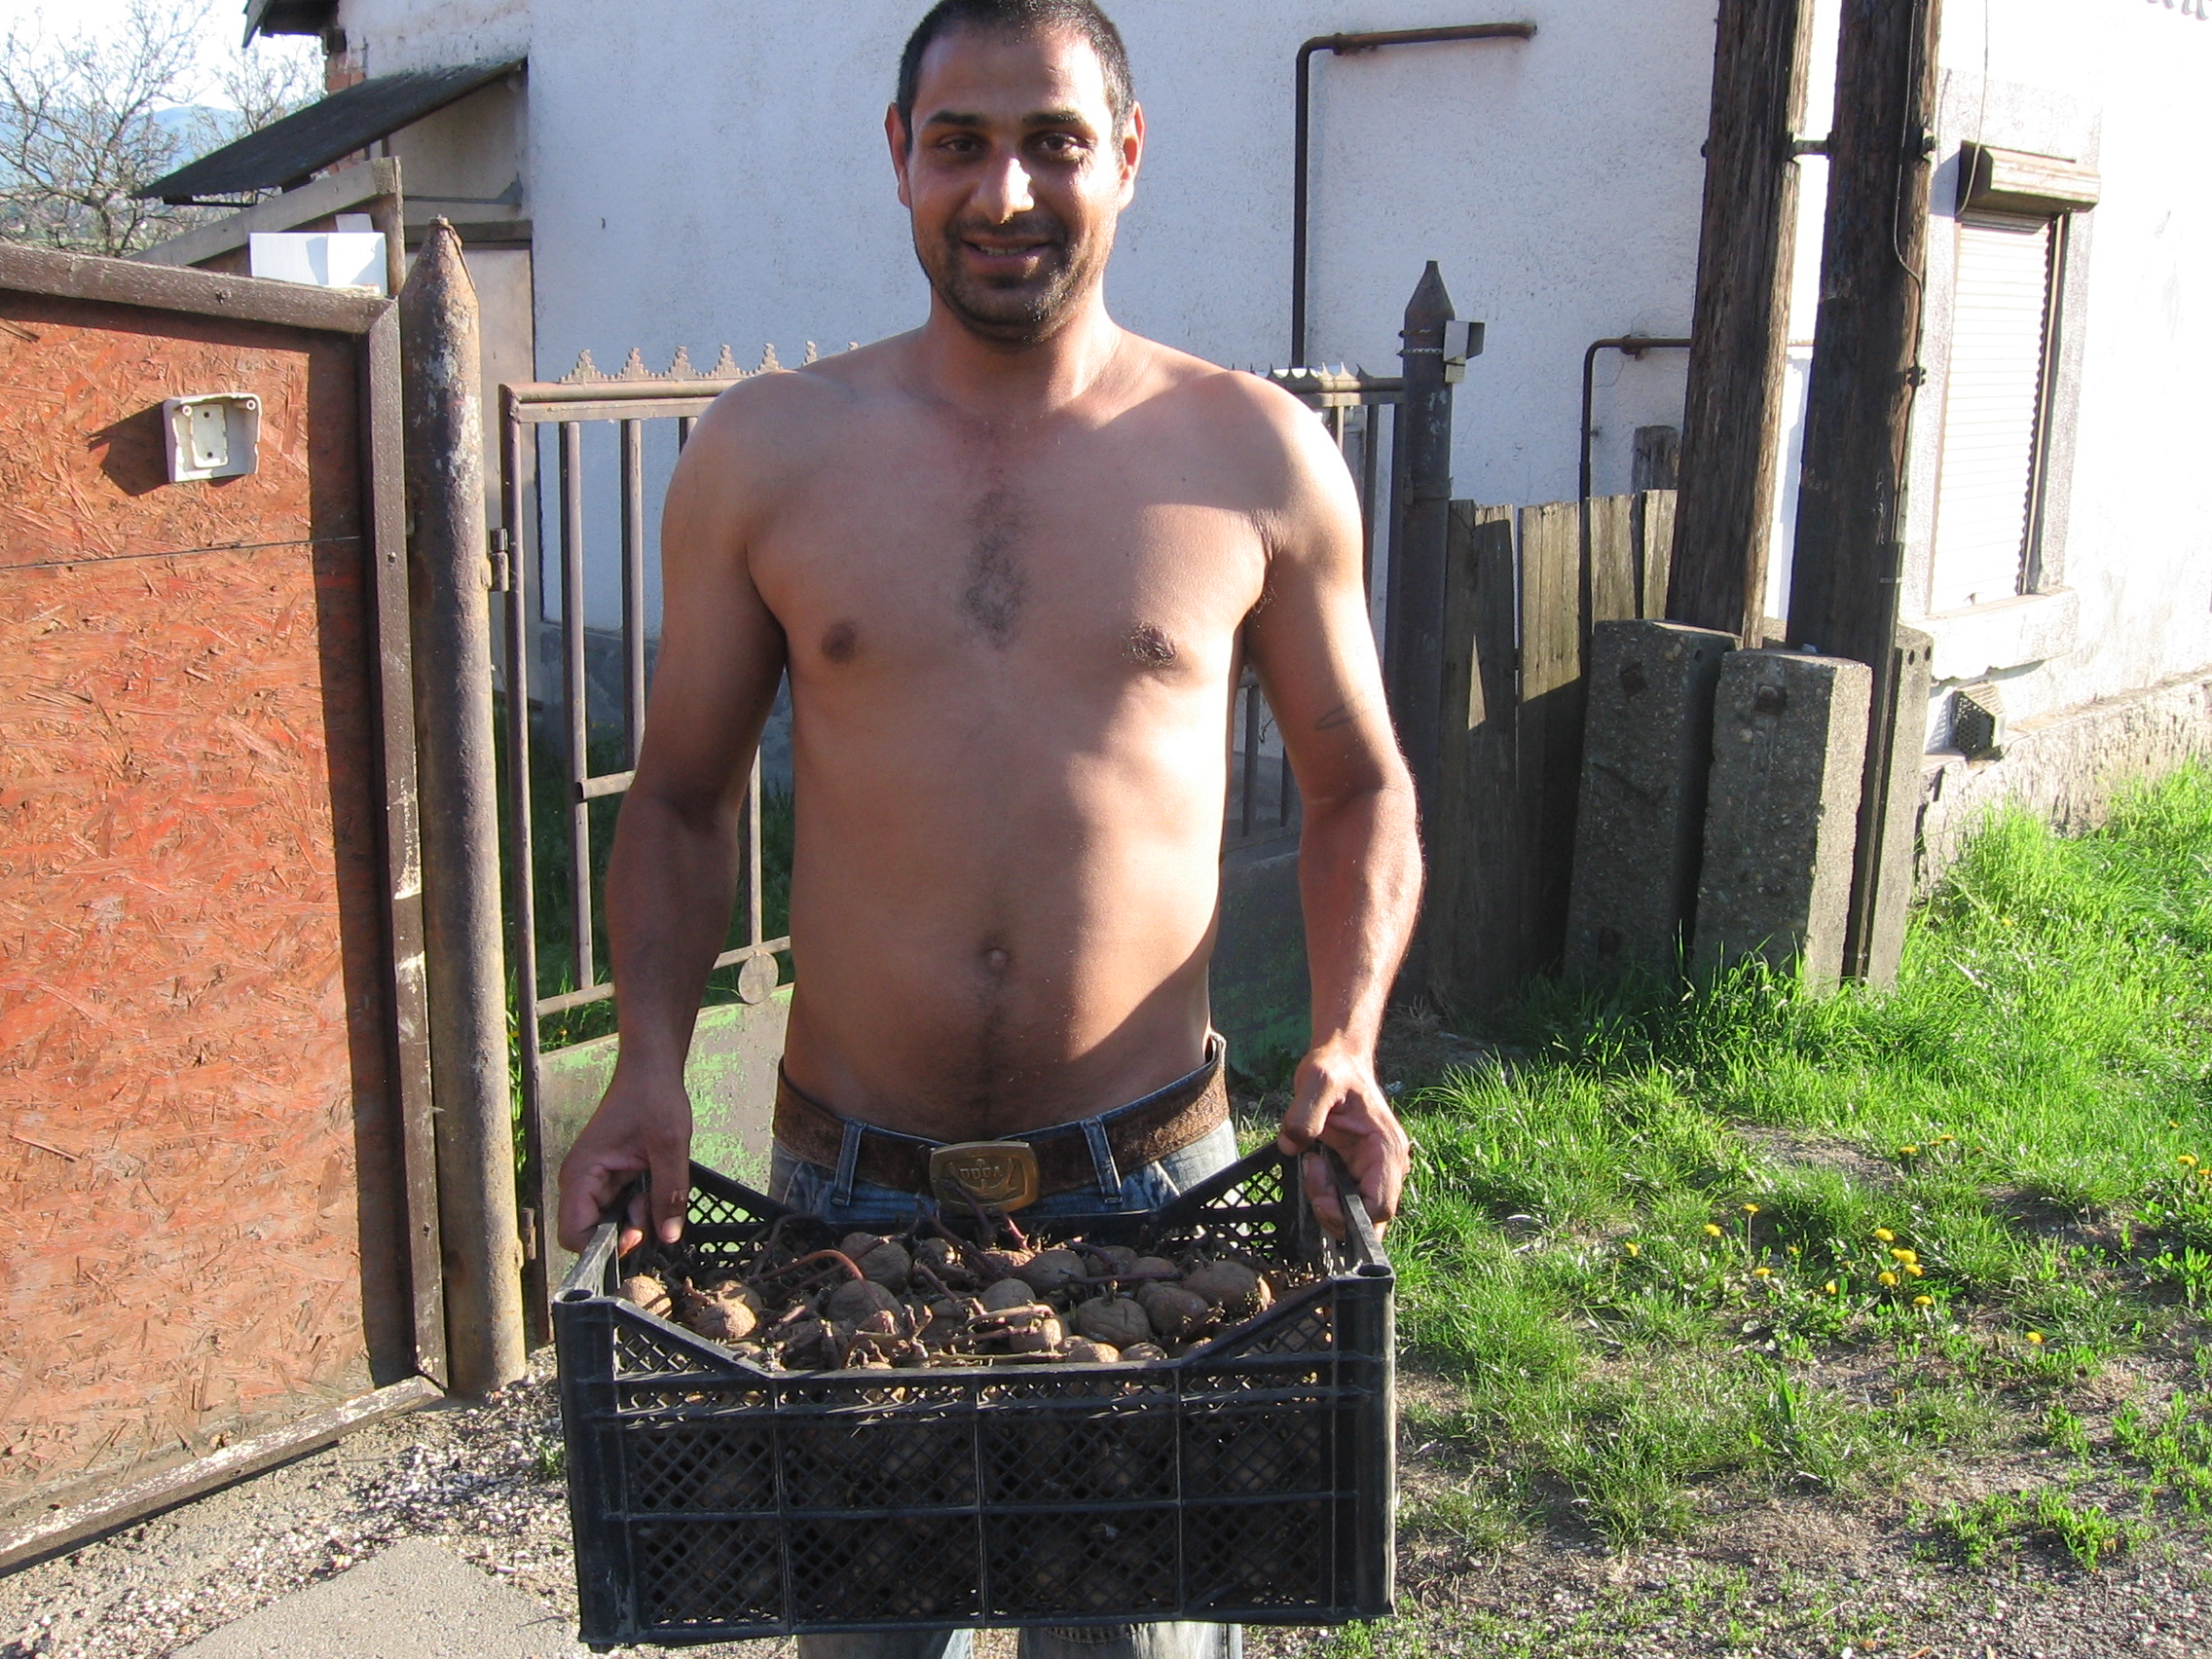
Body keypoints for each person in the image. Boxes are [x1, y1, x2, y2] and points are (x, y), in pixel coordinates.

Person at [557, 2, 1420, 1654]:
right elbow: (676, 796)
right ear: (900, 156)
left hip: (1155, 1204)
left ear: (1129, 156)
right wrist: (648, 1062)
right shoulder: (767, 454)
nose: (1005, 192)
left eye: (1053, 143)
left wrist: (1350, 1040)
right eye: (960, 142)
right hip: (844, 1214)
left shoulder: (1254, 455)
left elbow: (1359, 784)